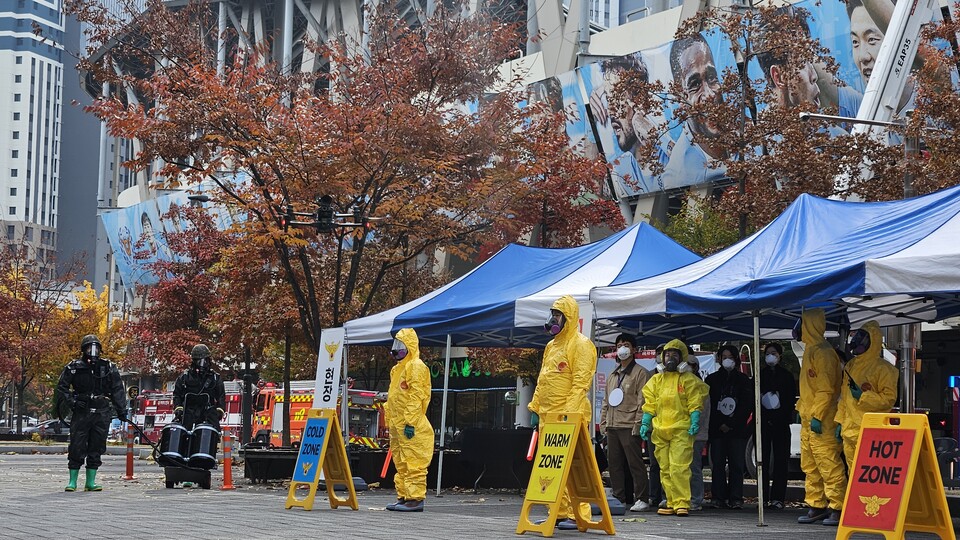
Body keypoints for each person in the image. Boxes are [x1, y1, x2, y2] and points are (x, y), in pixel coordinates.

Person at [528, 295, 598, 530]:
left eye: (557, 315)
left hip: (570, 416)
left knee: (574, 468)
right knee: (551, 467)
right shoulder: (551, 346)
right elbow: (543, 380)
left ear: (568, 317)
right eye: (552, 314)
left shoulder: (581, 344)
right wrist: (535, 407)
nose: (552, 319)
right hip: (548, 417)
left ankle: (578, 515)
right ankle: (558, 512)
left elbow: (581, 383)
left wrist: (568, 414)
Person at [639, 339, 709, 517]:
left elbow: (695, 402)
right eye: (667, 354)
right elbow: (650, 404)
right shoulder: (656, 380)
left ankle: (682, 502)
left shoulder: (688, 380)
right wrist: (645, 422)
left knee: (680, 467)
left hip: (681, 430)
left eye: (675, 355)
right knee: (665, 467)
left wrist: (694, 420)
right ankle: (671, 501)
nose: (670, 358)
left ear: (682, 358)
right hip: (660, 430)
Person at [794, 308, 846, 526]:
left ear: (810, 325)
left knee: (828, 464)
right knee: (810, 465)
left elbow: (825, 389)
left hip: (822, 420)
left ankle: (838, 507)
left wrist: (817, 415)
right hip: (810, 418)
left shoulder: (823, 352)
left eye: (801, 324)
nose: (796, 330)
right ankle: (816, 505)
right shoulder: (811, 350)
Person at [55, 335, 127, 492]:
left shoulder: (108, 367)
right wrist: (73, 402)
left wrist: (122, 410)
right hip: (82, 413)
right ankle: (72, 481)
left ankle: (90, 481)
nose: (92, 352)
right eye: (89, 349)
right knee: (76, 445)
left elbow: (117, 389)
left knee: (97, 446)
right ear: (83, 350)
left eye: (95, 349)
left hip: (101, 412)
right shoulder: (74, 367)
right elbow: (62, 387)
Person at [660, 33, 728, 190]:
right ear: (680, 98)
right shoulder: (677, 175)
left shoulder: (747, 133)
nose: (709, 95)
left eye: (712, 78)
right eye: (695, 84)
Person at [835, 321, 899, 472]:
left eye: (862, 338)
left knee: (869, 473)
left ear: (873, 341)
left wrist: (864, 396)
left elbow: (888, 399)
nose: (857, 341)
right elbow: (844, 398)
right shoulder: (851, 366)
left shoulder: (884, 368)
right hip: (850, 431)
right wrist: (839, 421)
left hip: (871, 431)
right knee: (853, 473)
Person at [599, 333, 651, 512]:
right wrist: (603, 423)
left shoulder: (641, 373)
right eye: (619, 345)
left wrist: (638, 424)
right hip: (613, 425)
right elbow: (606, 401)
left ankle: (642, 497)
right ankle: (619, 497)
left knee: (634, 463)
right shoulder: (613, 375)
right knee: (614, 463)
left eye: (626, 345)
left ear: (634, 349)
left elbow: (642, 401)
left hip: (629, 424)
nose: (622, 348)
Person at [385, 328, 433, 513]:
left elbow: (416, 397)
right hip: (398, 425)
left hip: (410, 425)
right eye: (395, 346)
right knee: (401, 461)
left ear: (411, 347)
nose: (396, 351)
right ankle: (404, 496)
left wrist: (410, 422)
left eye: (401, 347)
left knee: (413, 461)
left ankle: (415, 499)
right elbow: (395, 398)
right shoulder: (397, 369)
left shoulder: (416, 366)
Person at [706, 344, 753, 509]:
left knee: (737, 464)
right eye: (724, 357)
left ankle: (736, 497)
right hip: (717, 430)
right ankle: (718, 496)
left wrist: (732, 423)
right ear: (719, 359)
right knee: (717, 464)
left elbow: (746, 406)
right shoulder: (711, 380)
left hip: (737, 430)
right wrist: (720, 424)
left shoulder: (743, 380)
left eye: (730, 357)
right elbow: (709, 405)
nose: (727, 360)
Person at [758, 342, 798, 510]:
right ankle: (763, 496)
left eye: (774, 353)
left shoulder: (787, 376)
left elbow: (790, 401)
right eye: (768, 353)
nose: (770, 356)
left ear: (780, 355)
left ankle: (778, 498)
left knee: (781, 461)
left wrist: (780, 411)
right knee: (763, 461)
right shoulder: (761, 375)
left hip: (781, 423)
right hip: (763, 423)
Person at [173, 344, 226, 431]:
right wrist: (178, 408)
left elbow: (221, 396)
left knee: (213, 432)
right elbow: (177, 395)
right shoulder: (184, 377)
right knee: (179, 432)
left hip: (208, 414)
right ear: (194, 362)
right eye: (200, 361)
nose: (203, 364)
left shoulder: (215, 378)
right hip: (188, 413)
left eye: (205, 361)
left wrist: (219, 411)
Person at [686, 354, 709, 512]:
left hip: (696, 434)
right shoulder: (681, 383)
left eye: (689, 364)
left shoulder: (700, 386)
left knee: (694, 467)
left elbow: (702, 412)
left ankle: (696, 498)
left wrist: (692, 426)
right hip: (680, 433)